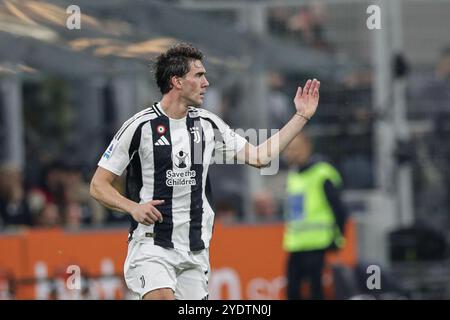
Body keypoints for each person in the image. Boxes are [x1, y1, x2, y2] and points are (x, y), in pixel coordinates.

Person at [90, 43, 321, 300]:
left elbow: (260, 157)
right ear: (176, 81)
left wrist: (301, 116)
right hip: (152, 245)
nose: (206, 83)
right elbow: (98, 185)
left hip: (195, 251)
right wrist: (133, 207)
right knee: (162, 297)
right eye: (199, 75)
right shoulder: (139, 126)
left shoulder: (208, 124)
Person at [282, 132, 347, 300]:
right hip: (296, 244)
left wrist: (339, 237)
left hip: (318, 243)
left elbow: (339, 208)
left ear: (307, 147)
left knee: (315, 291)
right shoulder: (293, 174)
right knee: (292, 291)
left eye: (295, 148)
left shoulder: (323, 173)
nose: (291, 153)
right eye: (289, 149)